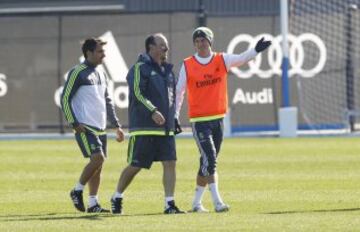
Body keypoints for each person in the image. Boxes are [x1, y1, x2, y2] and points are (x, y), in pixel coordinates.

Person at [176, 27, 271, 213]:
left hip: (218, 119)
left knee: (207, 162)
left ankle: (196, 203)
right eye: (197, 41)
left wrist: (255, 50)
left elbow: (242, 58)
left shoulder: (222, 59)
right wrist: (174, 116)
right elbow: (179, 91)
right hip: (199, 120)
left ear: (210, 42)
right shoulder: (187, 64)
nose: (200, 44)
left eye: (203, 40)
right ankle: (217, 202)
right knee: (210, 159)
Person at [110, 33, 184, 215]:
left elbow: (172, 98)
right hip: (144, 127)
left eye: (166, 46)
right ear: (151, 47)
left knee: (170, 162)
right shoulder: (139, 68)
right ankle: (117, 196)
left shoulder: (168, 71)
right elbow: (137, 93)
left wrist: (173, 118)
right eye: (162, 45)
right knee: (136, 165)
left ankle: (169, 204)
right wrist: (153, 111)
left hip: (165, 129)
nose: (165, 49)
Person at [61, 38, 125, 213]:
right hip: (85, 126)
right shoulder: (77, 72)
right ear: (88, 53)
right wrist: (74, 122)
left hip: (100, 126)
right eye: (100, 51)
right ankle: (77, 190)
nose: (103, 55)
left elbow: (107, 100)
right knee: (98, 158)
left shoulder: (102, 73)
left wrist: (116, 125)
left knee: (98, 166)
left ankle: (93, 203)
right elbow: (65, 98)